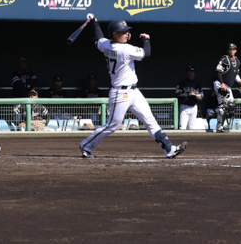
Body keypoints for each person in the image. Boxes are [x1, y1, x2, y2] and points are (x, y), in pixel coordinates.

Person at [79, 18, 187, 158]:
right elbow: (146, 53)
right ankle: (85, 145)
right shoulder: (125, 49)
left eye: (126, 31)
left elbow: (98, 39)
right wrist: (146, 40)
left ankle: (169, 149)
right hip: (120, 92)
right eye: (122, 32)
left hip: (134, 91)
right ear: (114, 34)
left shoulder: (105, 44)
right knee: (112, 125)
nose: (126, 33)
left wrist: (95, 24)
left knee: (150, 120)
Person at [213, 43, 241, 133]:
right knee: (224, 106)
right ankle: (219, 127)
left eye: (233, 49)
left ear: (236, 50)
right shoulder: (224, 59)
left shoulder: (237, 61)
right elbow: (218, 71)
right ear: (227, 50)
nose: (231, 51)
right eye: (230, 49)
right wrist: (222, 83)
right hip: (220, 84)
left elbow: (236, 74)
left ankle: (213, 112)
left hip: (228, 86)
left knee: (231, 106)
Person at [176, 66, 204, 130]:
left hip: (194, 107)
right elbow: (177, 94)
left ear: (194, 73)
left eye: (192, 72)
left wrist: (199, 97)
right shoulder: (181, 83)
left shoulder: (198, 84)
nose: (190, 73)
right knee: (182, 127)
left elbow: (202, 95)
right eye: (189, 72)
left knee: (191, 128)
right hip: (184, 107)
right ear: (186, 73)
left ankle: (190, 140)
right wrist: (189, 94)